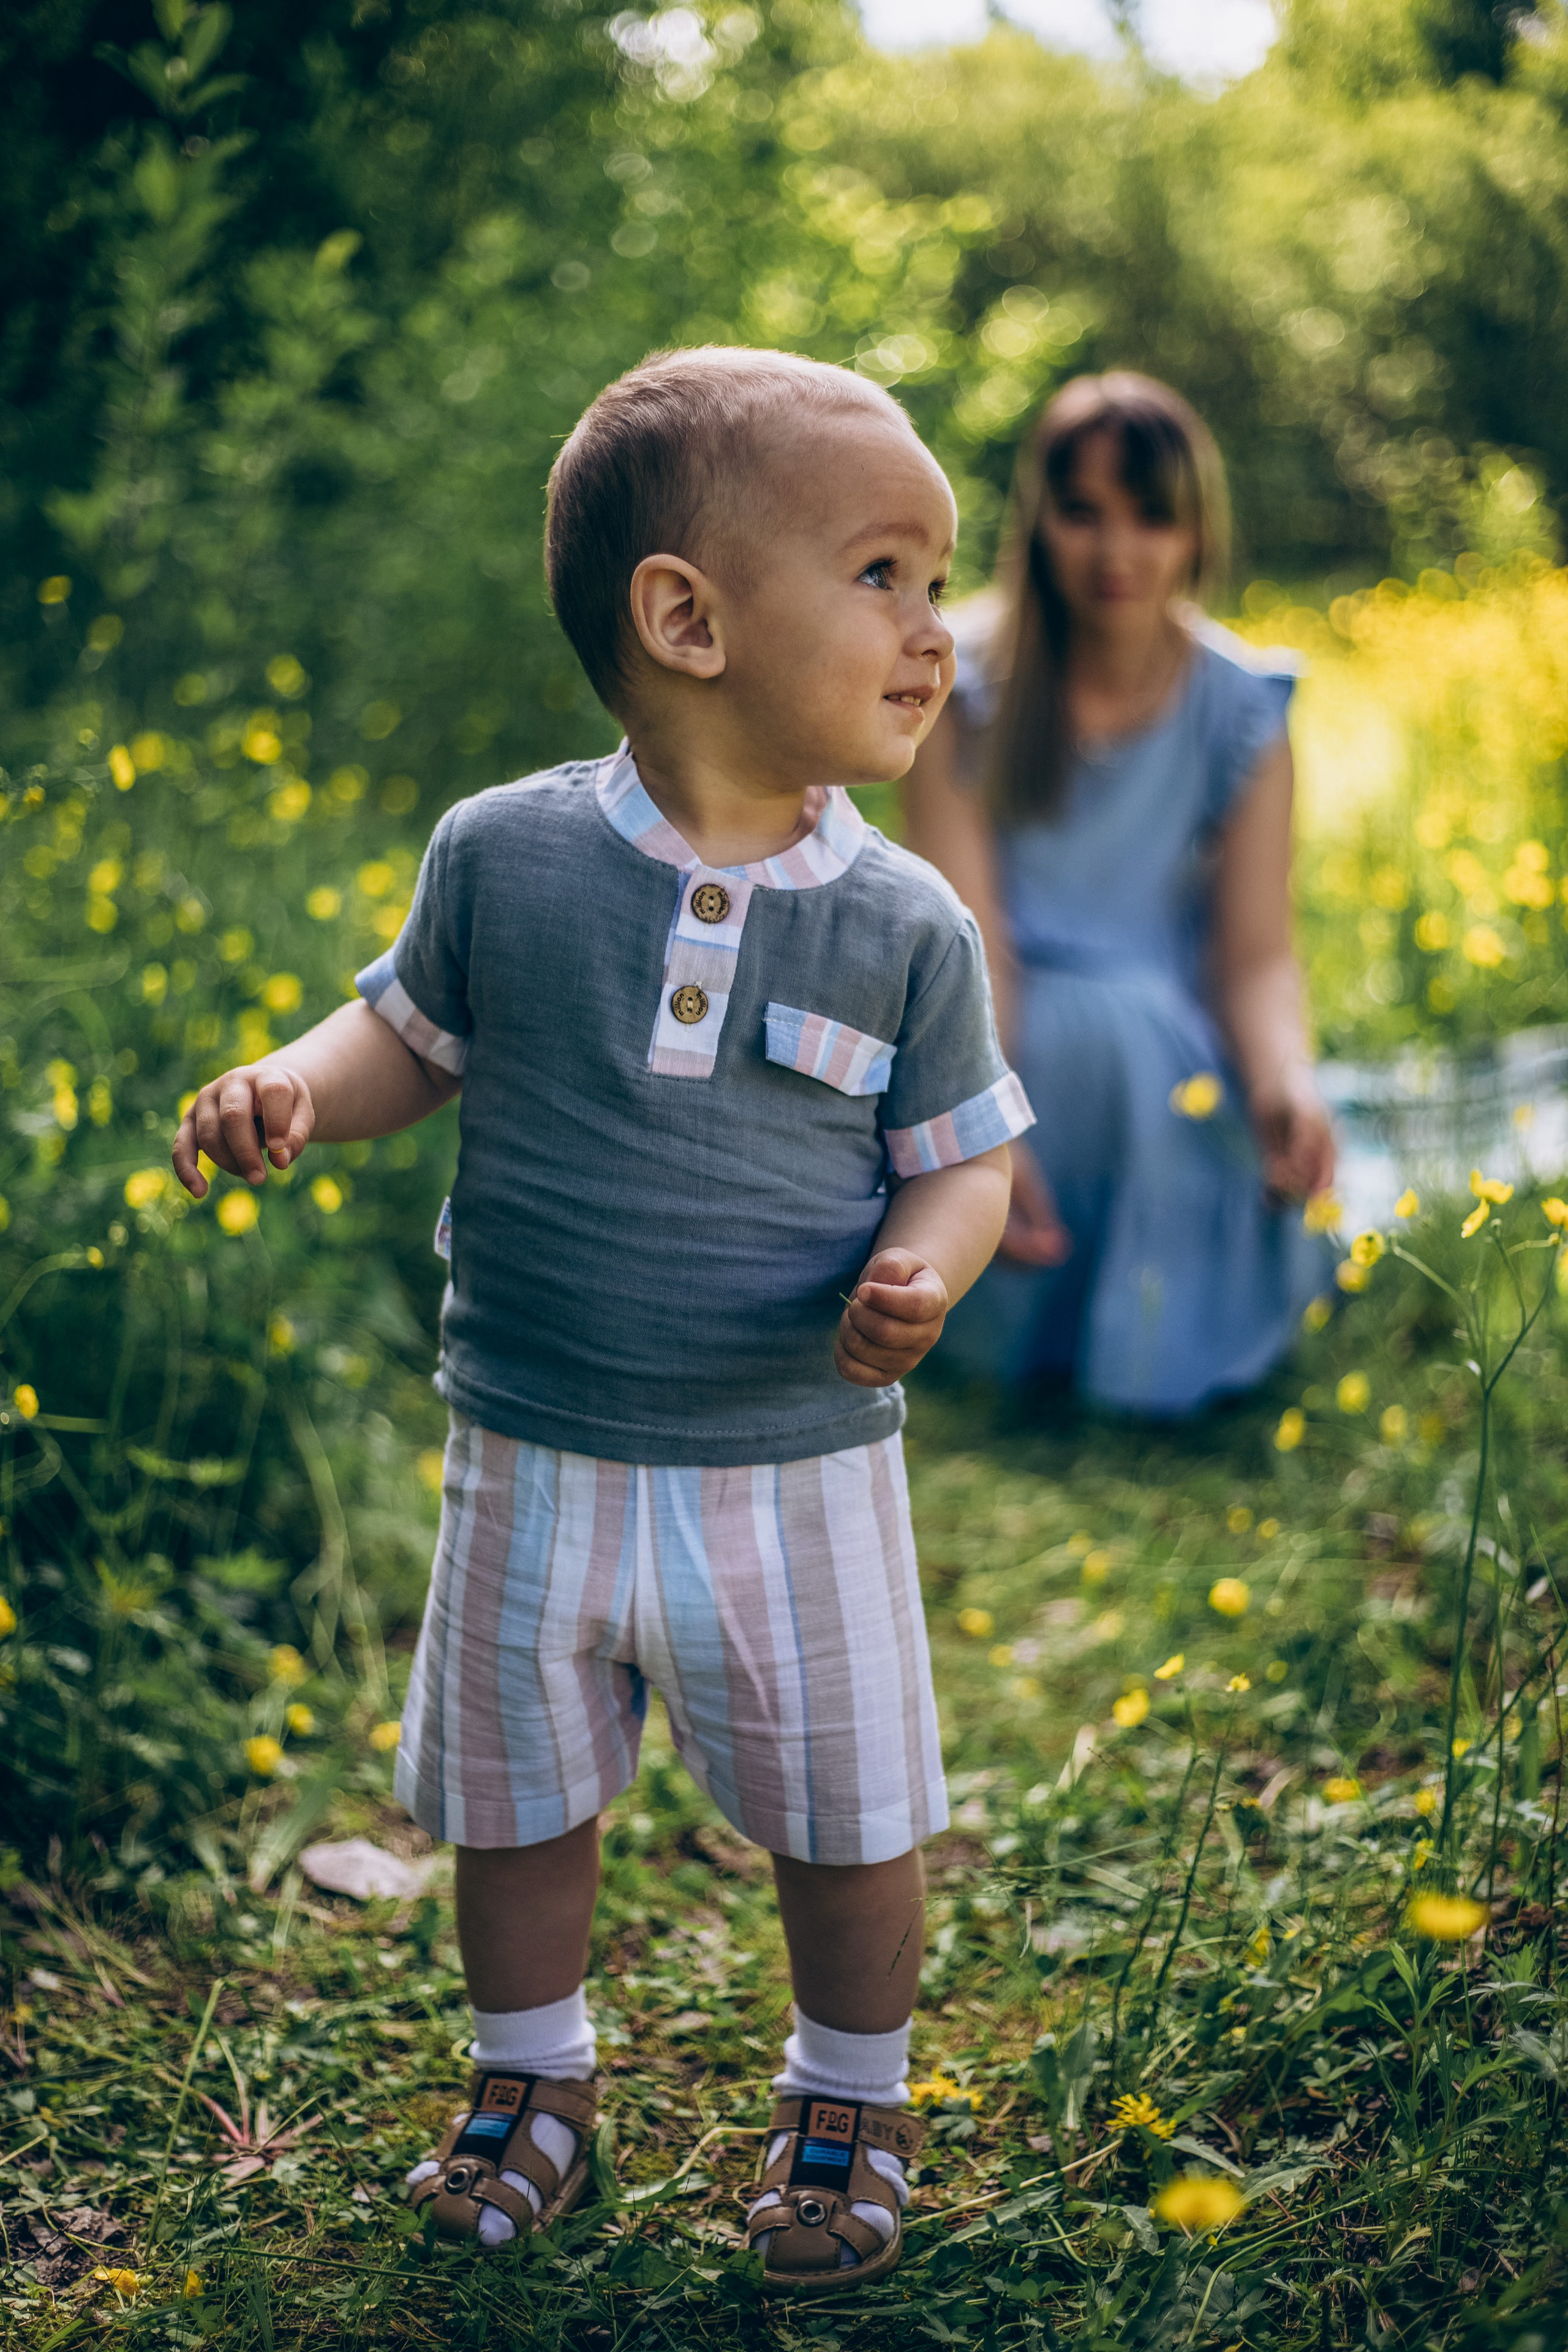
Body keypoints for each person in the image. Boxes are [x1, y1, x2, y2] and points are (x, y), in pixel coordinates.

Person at [172, 347, 1033, 2293]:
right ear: (687, 620)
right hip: (533, 1440)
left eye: (937, 577)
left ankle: (849, 2092)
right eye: (883, 575)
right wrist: (297, 1085)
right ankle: (528, 2073)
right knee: (518, 1794)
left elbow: (964, 1157)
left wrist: (931, 1264)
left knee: (846, 1804)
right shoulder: (508, 855)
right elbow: (410, 1037)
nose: (935, 627)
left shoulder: (905, 923)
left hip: (790, 1464)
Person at [903, 371, 1335, 1415]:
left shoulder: (1243, 705)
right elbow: (971, 945)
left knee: (1135, 1031)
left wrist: (1284, 1082)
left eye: (1151, 516)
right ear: (1036, 517)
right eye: (1082, 511)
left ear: (1197, 531)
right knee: (1095, 1032)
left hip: (1170, 1046)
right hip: (994, 1035)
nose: (1116, 551)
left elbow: (1255, 955)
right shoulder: (959, 684)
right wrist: (983, 1129)